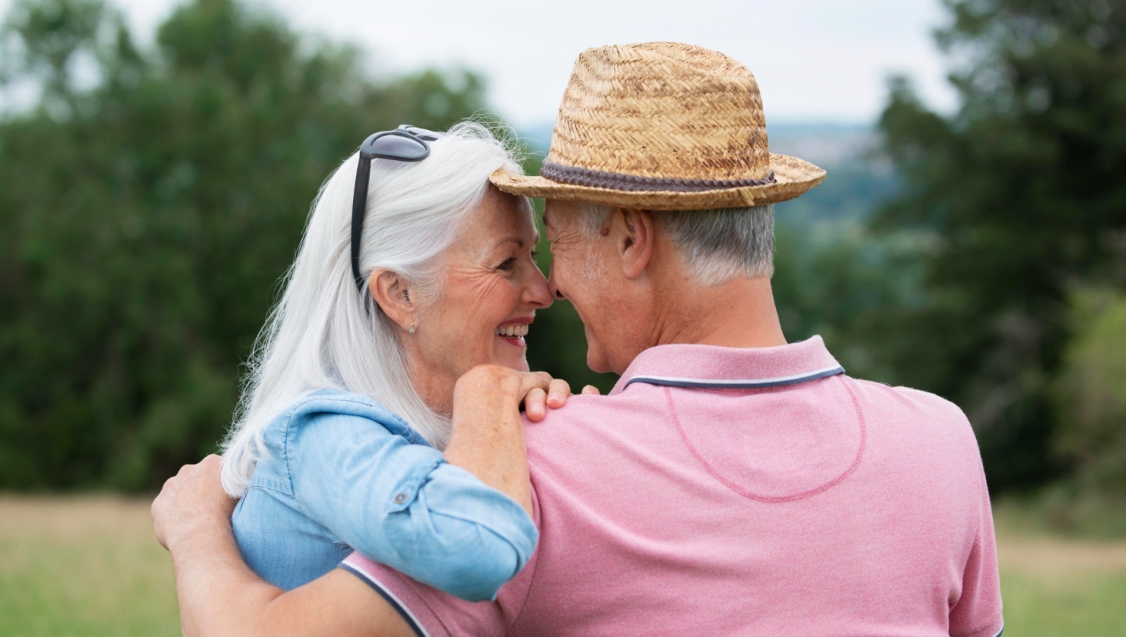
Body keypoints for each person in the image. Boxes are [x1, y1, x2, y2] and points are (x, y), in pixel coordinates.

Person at [153, 43, 1004, 636]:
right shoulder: (942, 442)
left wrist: (197, 532)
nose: (551, 286)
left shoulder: (530, 470)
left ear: (633, 241)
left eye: (557, 242)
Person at [215, 121, 586, 601]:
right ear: (400, 294)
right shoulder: (322, 435)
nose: (542, 290)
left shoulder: (425, 430)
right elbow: (474, 549)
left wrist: (565, 437)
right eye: (505, 263)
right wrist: (487, 396)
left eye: (533, 255)